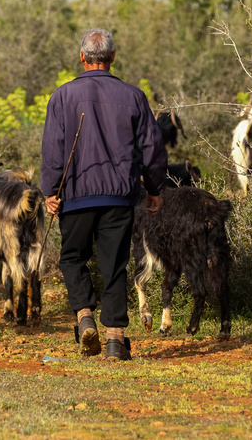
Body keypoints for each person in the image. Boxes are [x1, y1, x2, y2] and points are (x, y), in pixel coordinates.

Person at [40, 28, 166, 361]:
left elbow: (53, 150)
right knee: (114, 266)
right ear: (112, 58)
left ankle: (84, 319)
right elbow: (152, 148)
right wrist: (154, 189)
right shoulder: (134, 96)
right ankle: (114, 341)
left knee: (72, 258)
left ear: (82, 57)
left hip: (75, 194)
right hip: (118, 197)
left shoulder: (62, 96)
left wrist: (51, 191)